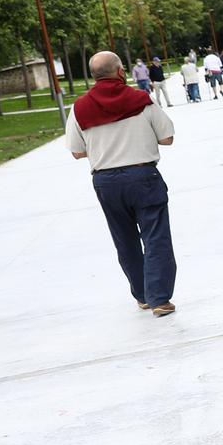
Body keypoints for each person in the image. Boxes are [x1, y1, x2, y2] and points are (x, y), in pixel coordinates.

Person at [65, 50, 178, 317]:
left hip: (106, 182)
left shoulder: (79, 108)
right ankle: (160, 298)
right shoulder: (141, 100)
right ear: (120, 72)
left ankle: (142, 296)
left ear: (93, 76)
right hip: (143, 176)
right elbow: (168, 138)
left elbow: (77, 152)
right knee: (155, 237)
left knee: (124, 240)